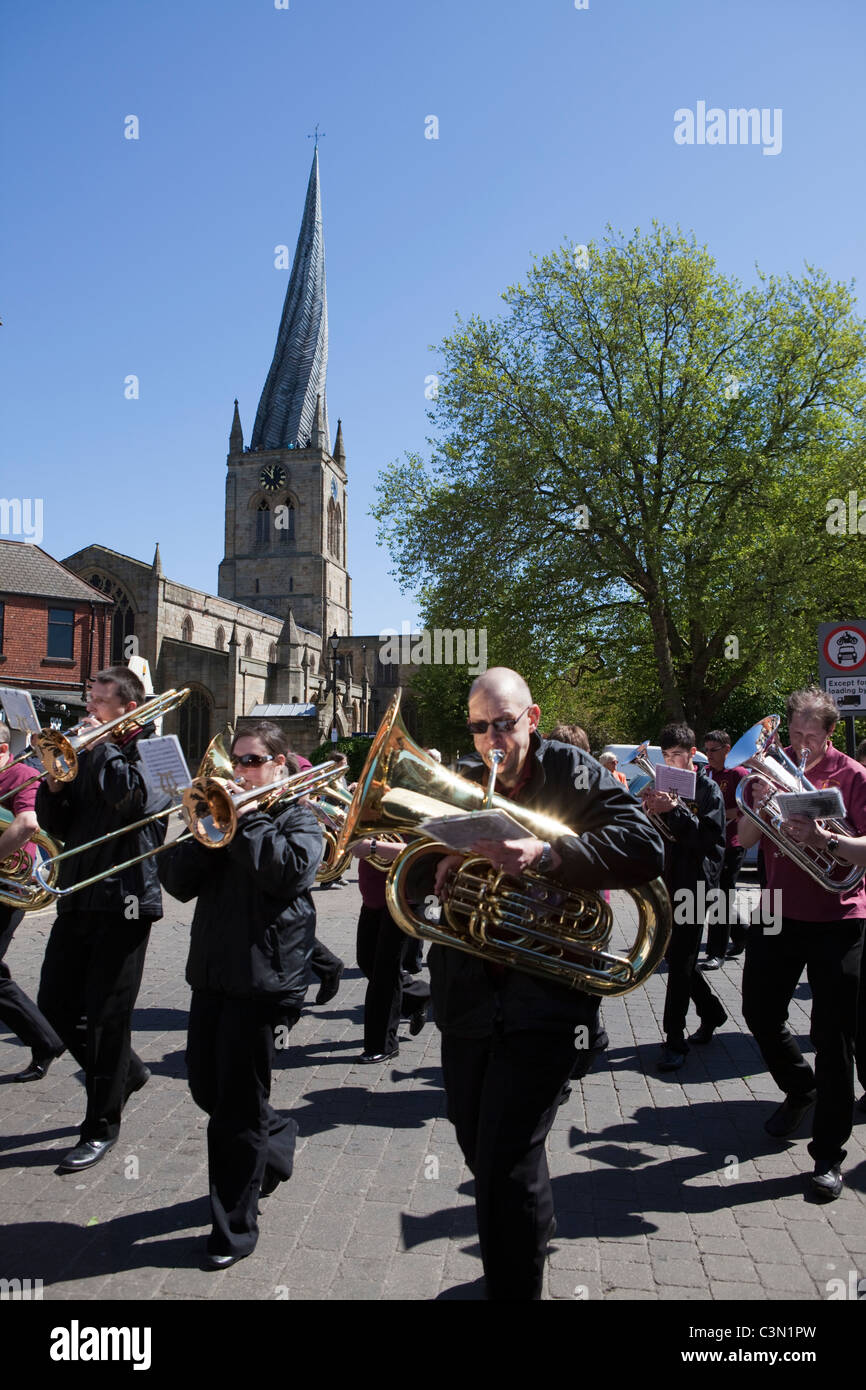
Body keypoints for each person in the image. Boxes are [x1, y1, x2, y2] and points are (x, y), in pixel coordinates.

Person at [429, 667, 664, 1300]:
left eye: (503, 724)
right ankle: (528, 1229)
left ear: (532, 719)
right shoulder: (461, 777)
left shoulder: (573, 771)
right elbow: (427, 854)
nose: (490, 741)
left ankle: (515, 1285)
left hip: (544, 1000)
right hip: (468, 997)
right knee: (475, 1140)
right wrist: (429, 858)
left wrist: (549, 854)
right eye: (479, 727)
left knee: (506, 1160)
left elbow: (646, 844)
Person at [158, 722, 322, 1268]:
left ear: (280, 764)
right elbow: (177, 882)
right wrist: (205, 828)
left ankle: (233, 1228)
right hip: (212, 974)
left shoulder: (299, 815)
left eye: (253, 761)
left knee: (232, 1116)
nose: (240, 771)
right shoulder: (218, 819)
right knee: (209, 1088)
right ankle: (275, 1135)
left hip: (265, 983)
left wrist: (245, 818)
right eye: (237, 761)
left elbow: (290, 873)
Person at [35, 667, 168, 1172]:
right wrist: (54, 782)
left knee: (109, 1017)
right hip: (79, 889)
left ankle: (100, 1125)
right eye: (89, 700)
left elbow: (135, 802)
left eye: (100, 702)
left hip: (128, 897)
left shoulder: (159, 752)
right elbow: (60, 824)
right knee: (55, 1002)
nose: (88, 710)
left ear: (128, 709)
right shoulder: (87, 750)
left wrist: (102, 743)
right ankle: (125, 1072)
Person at [738, 688, 866, 1200]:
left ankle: (828, 1155)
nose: (801, 743)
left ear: (830, 734)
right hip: (778, 913)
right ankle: (800, 1088)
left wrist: (825, 842)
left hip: (839, 917)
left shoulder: (853, 776)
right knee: (758, 1011)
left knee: (832, 1038)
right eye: (794, 733)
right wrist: (756, 802)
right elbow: (746, 839)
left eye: (812, 735)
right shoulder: (771, 771)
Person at [642, 723, 726, 1070]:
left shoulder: (709, 790)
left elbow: (706, 842)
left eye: (677, 755)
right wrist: (647, 810)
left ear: (693, 754)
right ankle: (711, 1012)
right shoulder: (661, 785)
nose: (672, 762)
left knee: (677, 963)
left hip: (696, 886)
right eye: (666, 757)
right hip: (668, 882)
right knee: (679, 958)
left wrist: (673, 810)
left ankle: (674, 1040)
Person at [0, 721, 65, 1081]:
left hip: (10, 888)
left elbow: (26, 823)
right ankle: (46, 1040)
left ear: (3, 750)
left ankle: (46, 1039)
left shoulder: (21, 775)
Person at [349, 834, 429, 1063]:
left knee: (384, 973)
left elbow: (423, 849)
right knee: (367, 961)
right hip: (374, 895)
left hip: (402, 897)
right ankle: (417, 997)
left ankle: (383, 1044)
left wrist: (373, 847)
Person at [701, 730, 749, 967]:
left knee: (721, 898)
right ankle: (741, 933)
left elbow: (747, 807)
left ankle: (716, 953)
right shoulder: (706, 772)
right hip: (712, 844)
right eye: (707, 750)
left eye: (713, 750)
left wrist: (719, 812)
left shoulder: (738, 773)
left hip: (732, 844)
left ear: (727, 750)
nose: (708, 755)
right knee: (715, 896)